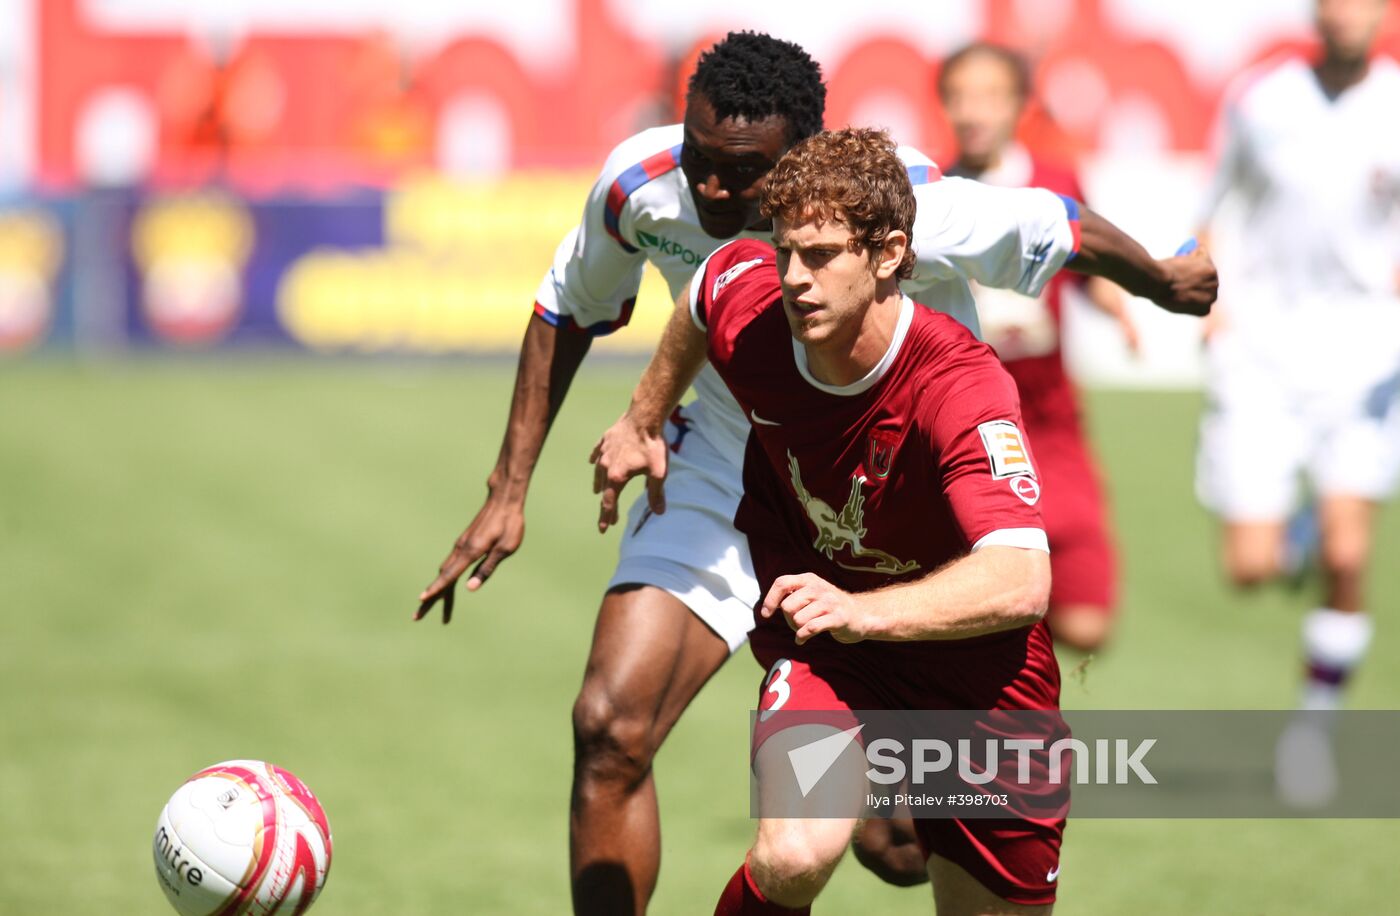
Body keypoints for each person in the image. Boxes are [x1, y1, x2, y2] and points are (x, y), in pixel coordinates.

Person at [416, 31, 1212, 912]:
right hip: (725, 466)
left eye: (741, 172)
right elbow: (590, 303)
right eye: (699, 158)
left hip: (894, 500)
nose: (712, 189)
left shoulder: (890, 201)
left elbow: (1058, 225)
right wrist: (531, 478)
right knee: (610, 726)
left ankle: (879, 776)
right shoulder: (643, 185)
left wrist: (1161, 281)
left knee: (901, 848)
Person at [591, 128, 1217, 914]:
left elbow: (1021, 578)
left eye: (821, 256)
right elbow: (705, 294)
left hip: (982, 675)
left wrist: (863, 610)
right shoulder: (757, 305)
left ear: (889, 254)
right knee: (792, 852)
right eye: (786, 250)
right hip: (832, 654)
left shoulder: (961, 387)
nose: (793, 278)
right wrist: (643, 418)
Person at [1195, 0, 1400, 802]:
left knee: (1350, 559)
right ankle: (1303, 529)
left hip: (1367, 356)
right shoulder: (1261, 98)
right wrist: (1214, 308)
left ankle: (1312, 733)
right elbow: (1208, 210)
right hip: (1264, 358)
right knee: (1251, 567)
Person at [938, 42, 1135, 652]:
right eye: (960, 96)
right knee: (984, 613)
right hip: (967, 425)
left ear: (1019, 105)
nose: (974, 112)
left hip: (1050, 420)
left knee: (1087, 627)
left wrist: (1118, 303)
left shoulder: (1053, 184)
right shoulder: (934, 193)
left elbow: (1087, 262)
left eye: (990, 96)